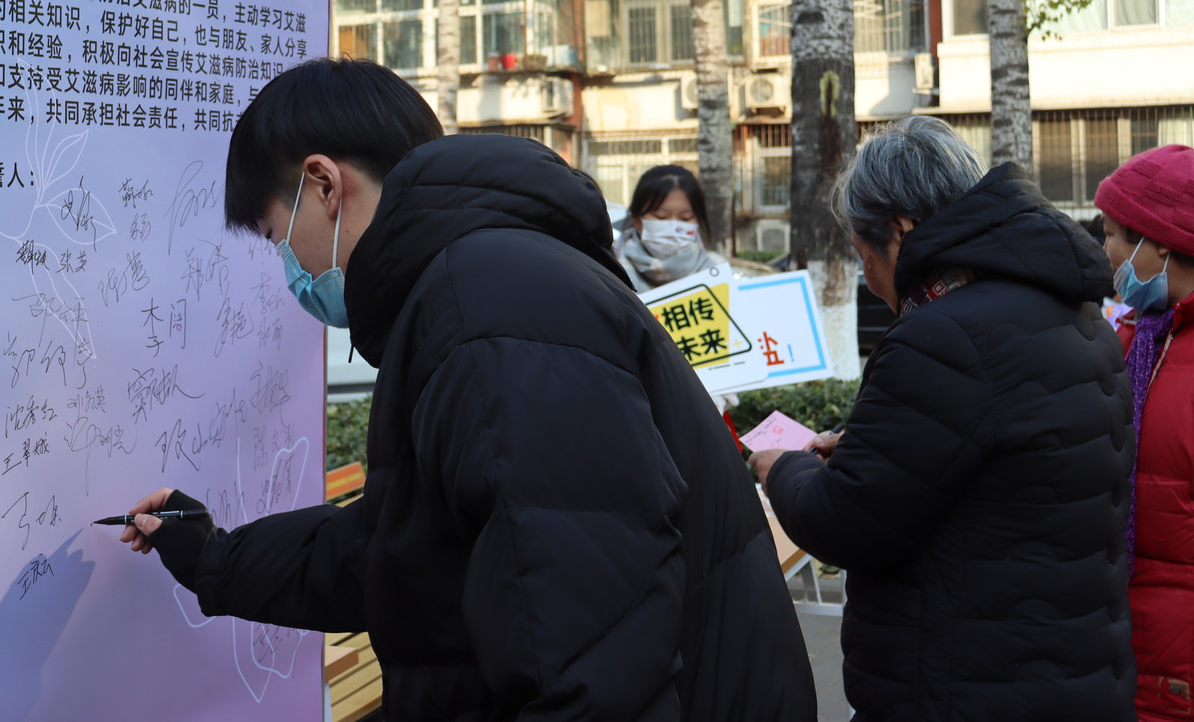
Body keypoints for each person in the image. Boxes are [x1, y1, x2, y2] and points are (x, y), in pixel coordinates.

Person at [121, 58, 817, 720]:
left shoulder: (485, 311)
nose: (289, 267)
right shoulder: (477, 283)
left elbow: (590, 658)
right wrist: (213, 556)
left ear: (325, 185)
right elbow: (404, 550)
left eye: (277, 235)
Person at [747, 116, 1135, 721]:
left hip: (967, 686)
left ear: (899, 230)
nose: (868, 277)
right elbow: (997, 463)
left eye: (864, 256)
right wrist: (865, 449)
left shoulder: (945, 337)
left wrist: (782, 468)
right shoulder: (1071, 313)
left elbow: (843, 522)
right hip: (1062, 670)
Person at [1094, 144, 1194, 722]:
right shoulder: (1134, 336)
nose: (1106, 251)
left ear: (1159, 243)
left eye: (1112, 234)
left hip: (1178, 664)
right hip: (1121, 641)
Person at [615, 165, 730, 292]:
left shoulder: (717, 270)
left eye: (686, 218)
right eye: (661, 217)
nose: (674, 228)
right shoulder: (611, 269)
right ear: (637, 219)